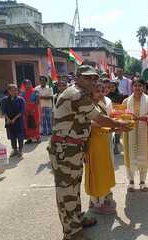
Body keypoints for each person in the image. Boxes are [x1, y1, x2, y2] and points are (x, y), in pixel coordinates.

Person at [48, 65, 130, 240]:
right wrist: (119, 125)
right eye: (87, 78)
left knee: (73, 188)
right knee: (67, 192)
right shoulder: (77, 94)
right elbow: (98, 118)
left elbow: (89, 123)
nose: (92, 81)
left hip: (72, 148)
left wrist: (110, 127)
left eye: (94, 78)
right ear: (77, 78)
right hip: (65, 149)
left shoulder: (81, 94)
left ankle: (77, 220)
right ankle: (72, 233)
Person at [85, 83, 116, 215]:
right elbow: (92, 123)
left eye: (101, 91)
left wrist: (113, 125)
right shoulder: (87, 107)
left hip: (103, 143)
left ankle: (99, 200)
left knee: (102, 172)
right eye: (96, 91)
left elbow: (105, 121)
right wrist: (115, 125)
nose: (100, 94)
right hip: (94, 144)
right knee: (96, 173)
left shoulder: (99, 105)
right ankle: (97, 204)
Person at [123, 78, 148, 192]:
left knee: (144, 154)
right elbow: (123, 116)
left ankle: (142, 181)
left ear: (144, 87)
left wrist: (139, 118)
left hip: (145, 131)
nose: (137, 88)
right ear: (132, 87)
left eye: (140, 85)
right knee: (129, 154)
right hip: (129, 131)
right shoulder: (126, 101)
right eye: (135, 85)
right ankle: (131, 181)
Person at [2, 84, 26, 158]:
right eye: (12, 90)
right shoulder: (4, 100)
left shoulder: (21, 99)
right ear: (9, 91)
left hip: (18, 121)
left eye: (16, 90)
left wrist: (14, 119)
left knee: (20, 136)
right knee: (12, 137)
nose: (15, 92)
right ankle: (15, 150)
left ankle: (20, 150)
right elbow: (3, 111)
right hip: (9, 121)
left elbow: (22, 111)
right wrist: (8, 119)